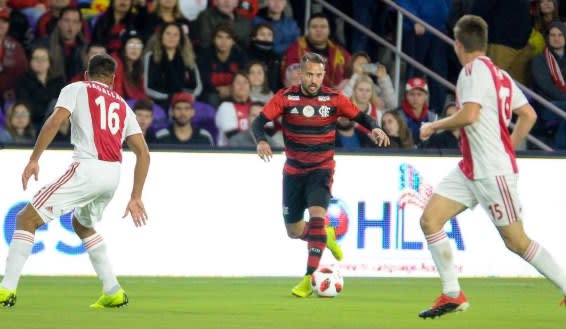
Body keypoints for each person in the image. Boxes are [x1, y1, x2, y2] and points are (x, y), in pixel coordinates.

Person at [417, 15, 566, 319]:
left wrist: (435, 126)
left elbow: (470, 115)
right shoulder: (500, 74)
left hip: (492, 172)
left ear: (458, 45)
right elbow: (528, 115)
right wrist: (508, 143)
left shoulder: (471, 71)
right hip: (471, 168)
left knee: (517, 242)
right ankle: (452, 293)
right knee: (430, 220)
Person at [0, 53, 150, 308]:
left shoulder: (77, 88)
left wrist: (35, 158)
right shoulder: (123, 105)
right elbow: (143, 153)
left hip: (87, 168)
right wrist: (136, 196)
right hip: (113, 174)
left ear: (87, 75)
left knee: (26, 219)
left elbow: (56, 120)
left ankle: (6, 290)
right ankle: (112, 289)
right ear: (113, 79)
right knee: (82, 225)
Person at [251, 52, 390, 297]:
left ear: (323, 74)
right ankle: (325, 235)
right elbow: (258, 122)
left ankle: (307, 279)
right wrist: (261, 140)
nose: (314, 79)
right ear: (300, 74)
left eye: (318, 74)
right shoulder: (286, 97)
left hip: (321, 169)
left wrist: (376, 128)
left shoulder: (334, 98)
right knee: (293, 231)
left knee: (317, 216)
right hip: (293, 172)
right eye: (309, 74)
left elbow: (361, 116)